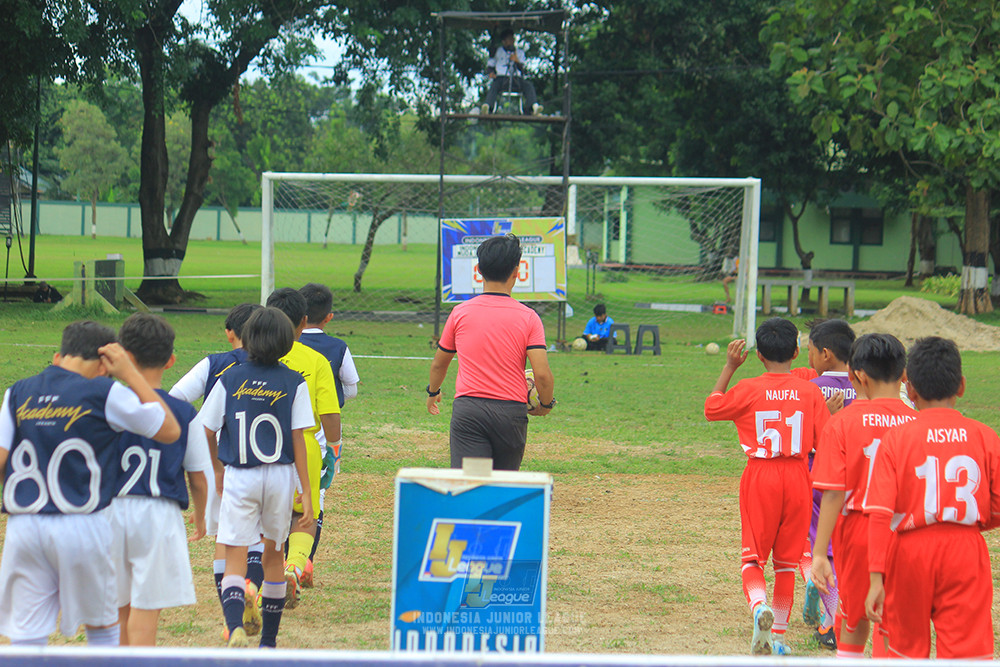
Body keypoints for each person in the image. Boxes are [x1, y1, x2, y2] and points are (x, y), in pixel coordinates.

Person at [0, 320, 180, 646]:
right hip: (83, 525)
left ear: (58, 358)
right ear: (104, 363)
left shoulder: (18, 392)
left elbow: (1, 460)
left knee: (27, 633)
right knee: (103, 627)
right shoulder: (104, 392)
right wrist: (130, 375)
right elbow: (169, 429)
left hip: (24, 526)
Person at [864, 337, 1000, 659]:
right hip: (965, 548)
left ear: (909, 391)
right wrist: (970, 524)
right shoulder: (985, 436)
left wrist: (875, 578)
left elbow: (880, 513)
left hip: (910, 550)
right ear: (962, 386)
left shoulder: (896, 439)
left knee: (905, 650)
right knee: (967, 653)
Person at [704, 318, 830, 656]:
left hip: (761, 476)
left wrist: (730, 367)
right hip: (798, 475)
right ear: (796, 351)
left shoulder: (748, 388)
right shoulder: (811, 391)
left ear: (758, 355)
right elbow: (825, 441)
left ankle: (759, 606)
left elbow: (711, 408)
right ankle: (778, 638)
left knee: (753, 560)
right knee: (787, 564)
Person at [200, 307, 315, 648]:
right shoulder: (294, 381)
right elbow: (298, 439)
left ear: (245, 339)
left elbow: (206, 430)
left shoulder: (230, 378)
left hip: (240, 474)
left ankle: (235, 625)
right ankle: (268, 641)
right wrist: (305, 492)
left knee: (235, 553)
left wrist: (218, 470)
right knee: (273, 555)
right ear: (287, 343)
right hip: (280, 477)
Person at [810, 333, 916, 658]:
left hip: (858, 531)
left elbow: (833, 494)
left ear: (858, 376)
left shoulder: (842, 422)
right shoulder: (918, 422)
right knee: (891, 622)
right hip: (905, 531)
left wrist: (818, 554)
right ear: (903, 375)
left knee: (853, 618)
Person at [112, 313, 211, 646]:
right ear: (170, 361)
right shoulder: (184, 413)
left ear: (123, 355)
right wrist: (201, 512)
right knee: (146, 608)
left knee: (118, 609)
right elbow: (197, 476)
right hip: (157, 515)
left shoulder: (107, 405)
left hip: (108, 511)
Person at [169, 302, 266, 636]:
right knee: (258, 538)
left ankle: (232, 620)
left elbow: (176, 396)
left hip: (218, 462)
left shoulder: (214, 364)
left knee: (226, 540)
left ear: (230, 334)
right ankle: (253, 588)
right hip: (261, 462)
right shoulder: (274, 367)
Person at [427, 234, 555, 471]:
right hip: (510, 414)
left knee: (473, 485)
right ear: (517, 271)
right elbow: (543, 375)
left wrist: (433, 391)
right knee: (502, 486)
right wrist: (545, 405)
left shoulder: (460, 313)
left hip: (470, 411)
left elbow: (439, 364)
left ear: (478, 270)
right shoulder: (529, 317)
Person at [265, 288, 340, 606]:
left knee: (261, 518)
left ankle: (258, 583)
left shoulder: (252, 357)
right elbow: (330, 413)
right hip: (304, 447)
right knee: (303, 513)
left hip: (260, 446)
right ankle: (295, 565)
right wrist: (334, 447)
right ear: (304, 321)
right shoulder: (316, 360)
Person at [297, 282, 361, 587]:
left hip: (286, 430)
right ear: (329, 317)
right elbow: (351, 387)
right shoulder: (338, 347)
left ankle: (286, 559)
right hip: (321, 433)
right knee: (316, 495)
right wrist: (330, 399)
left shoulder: (284, 344)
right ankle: (304, 562)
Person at [801, 318, 856, 649]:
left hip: (820, 475)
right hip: (859, 477)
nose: (807, 357)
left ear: (824, 354)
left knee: (824, 550)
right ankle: (836, 615)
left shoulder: (812, 389)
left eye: (809, 351)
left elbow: (804, 437)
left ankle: (831, 621)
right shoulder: (865, 385)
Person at [482, 29, 541, 116]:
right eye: (509, 39)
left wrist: (517, 61)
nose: (512, 41)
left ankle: (533, 108)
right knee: (494, 85)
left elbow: (523, 70)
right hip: (501, 78)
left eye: (512, 39)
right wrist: (491, 72)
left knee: (528, 85)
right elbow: (490, 65)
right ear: (504, 41)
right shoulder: (498, 51)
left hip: (516, 78)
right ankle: (488, 107)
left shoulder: (519, 52)